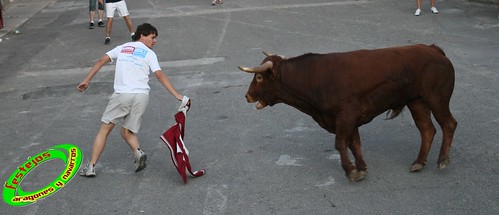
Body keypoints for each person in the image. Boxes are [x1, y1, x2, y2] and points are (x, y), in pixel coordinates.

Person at [77, 23, 186, 177]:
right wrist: (176, 94)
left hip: (123, 94)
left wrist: (87, 80)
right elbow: (159, 75)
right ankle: (138, 152)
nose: (155, 41)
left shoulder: (122, 47)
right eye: (153, 37)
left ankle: (91, 167)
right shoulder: (149, 54)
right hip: (141, 96)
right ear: (142, 35)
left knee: (104, 130)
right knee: (126, 131)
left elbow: (101, 60)